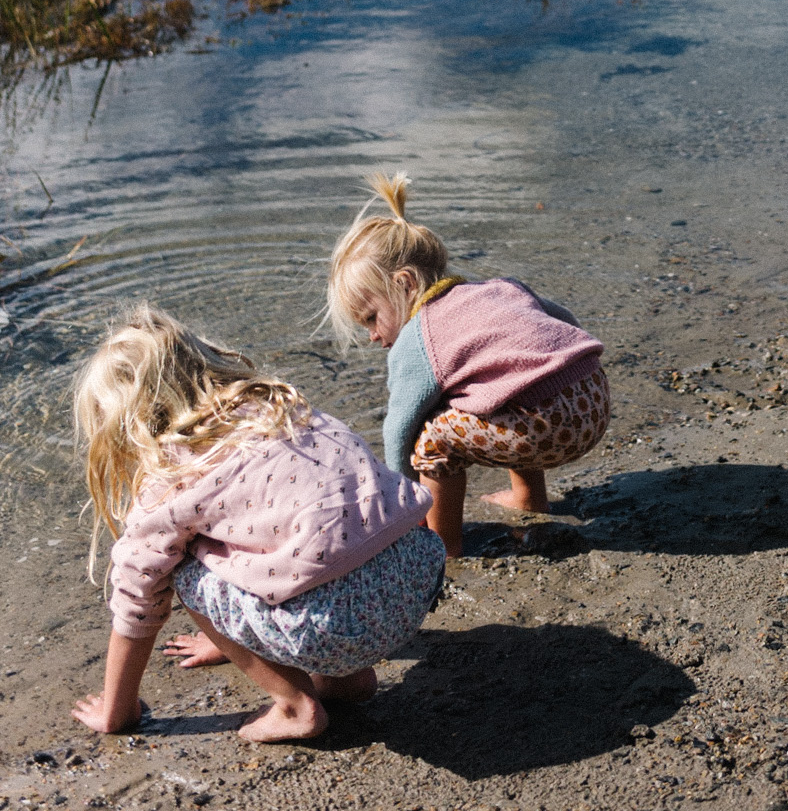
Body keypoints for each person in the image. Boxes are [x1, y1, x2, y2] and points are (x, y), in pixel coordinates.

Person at [71, 304, 444, 743]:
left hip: (339, 627)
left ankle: (294, 705)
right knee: (324, 531)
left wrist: (118, 711)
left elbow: (138, 599)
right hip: (416, 578)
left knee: (185, 569)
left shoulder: (170, 482)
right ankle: (348, 681)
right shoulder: (280, 406)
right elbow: (321, 531)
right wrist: (231, 636)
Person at [327, 174, 609, 560]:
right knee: (503, 384)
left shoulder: (417, 337)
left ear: (405, 283)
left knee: (431, 438)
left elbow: (398, 430)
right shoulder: (496, 288)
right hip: (593, 394)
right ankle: (528, 498)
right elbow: (563, 323)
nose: (373, 335)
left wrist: (404, 504)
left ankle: (444, 548)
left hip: (549, 426)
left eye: (372, 317)